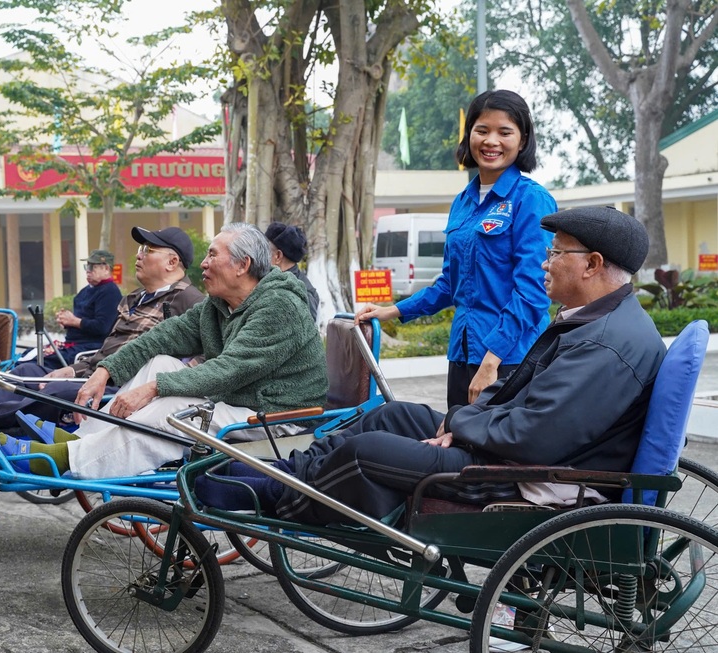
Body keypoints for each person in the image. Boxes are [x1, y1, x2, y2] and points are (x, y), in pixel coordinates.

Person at [197, 206, 665, 526]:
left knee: (371, 450)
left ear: (593, 264)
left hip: (526, 479)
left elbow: (534, 436)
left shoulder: (609, 345)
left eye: (556, 253)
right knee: (389, 415)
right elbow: (521, 401)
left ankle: (280, 496)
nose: (546, 263)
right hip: (509, 450)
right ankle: (292, 471)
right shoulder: (594, 321)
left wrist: (461, 426)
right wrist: (461, 422)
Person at [0, 222, 328, 479]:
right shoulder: (219, 304)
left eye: (213, 255)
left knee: (173, 409)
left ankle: (64, 460)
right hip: (241, 399)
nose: (203, 263)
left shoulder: (279, 304)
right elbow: (165, 336)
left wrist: (153, 389)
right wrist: (105, 371)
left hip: (280, 416)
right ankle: (80, 442)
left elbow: (231, 368)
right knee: (161, 361)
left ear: (243, 265)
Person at [358, 90, 557, 408]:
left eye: (504, 132)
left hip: (510, 360)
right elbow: (450, 284)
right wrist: (393, 311)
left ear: (522, 141)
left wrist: (492, 360)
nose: (491, 141)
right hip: (463, 352)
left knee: (493, 454)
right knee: (457, 447)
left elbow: (534, 291)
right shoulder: (463, 202)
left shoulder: (530, 199)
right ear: (470, 137)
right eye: (482, 130)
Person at [0, 226, 204, 430]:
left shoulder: (189, 300)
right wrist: (72, 368)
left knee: (56, 391)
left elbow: (206, 356)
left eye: (147, 250)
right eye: (140, 248)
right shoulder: (136, 297)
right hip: (96, 371)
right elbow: (107, 351)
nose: (138, 255)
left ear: (172, 262)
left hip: (124, 384)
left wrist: (159, 385)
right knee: (27, 370)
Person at [39, 249, 122, 369]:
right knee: (30, 355)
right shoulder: (85, 291)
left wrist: (74, 321)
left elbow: (102, 327)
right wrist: (66, 321)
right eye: (87, 266)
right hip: (72, 345)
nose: (88, 271)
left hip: (88, 349)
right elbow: (81, 318)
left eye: (93, 267)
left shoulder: (110, 292)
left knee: (39, 361)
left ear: (106, 269)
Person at [265, 221, 319, 321]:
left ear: (278, 256)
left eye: (264, 251)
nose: (261, 256)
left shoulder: (303, 294)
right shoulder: (268, 279)